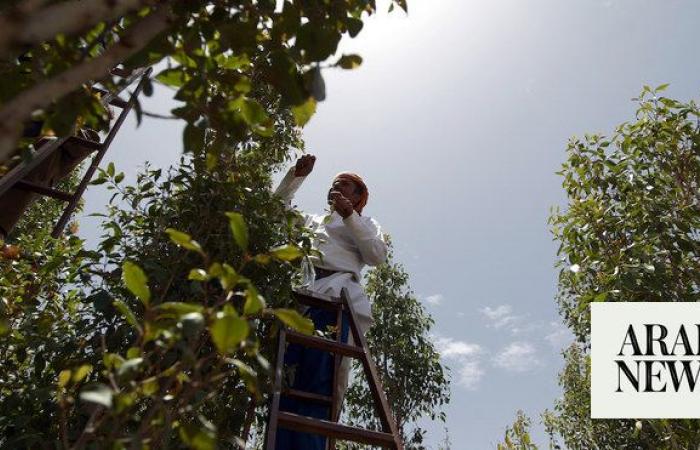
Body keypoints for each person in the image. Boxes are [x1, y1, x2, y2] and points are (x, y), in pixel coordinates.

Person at [272, 154, 388, 450]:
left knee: (322, 380)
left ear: (360, 197)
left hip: (337, 300)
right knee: (287, 380)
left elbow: (376, 256)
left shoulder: (365, 223)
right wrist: (295, 177)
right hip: (305, 298)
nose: (337, 186)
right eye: (335, 183)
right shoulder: (313, 221)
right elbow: (275, 210)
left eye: (346, 184)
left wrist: (350, 216)